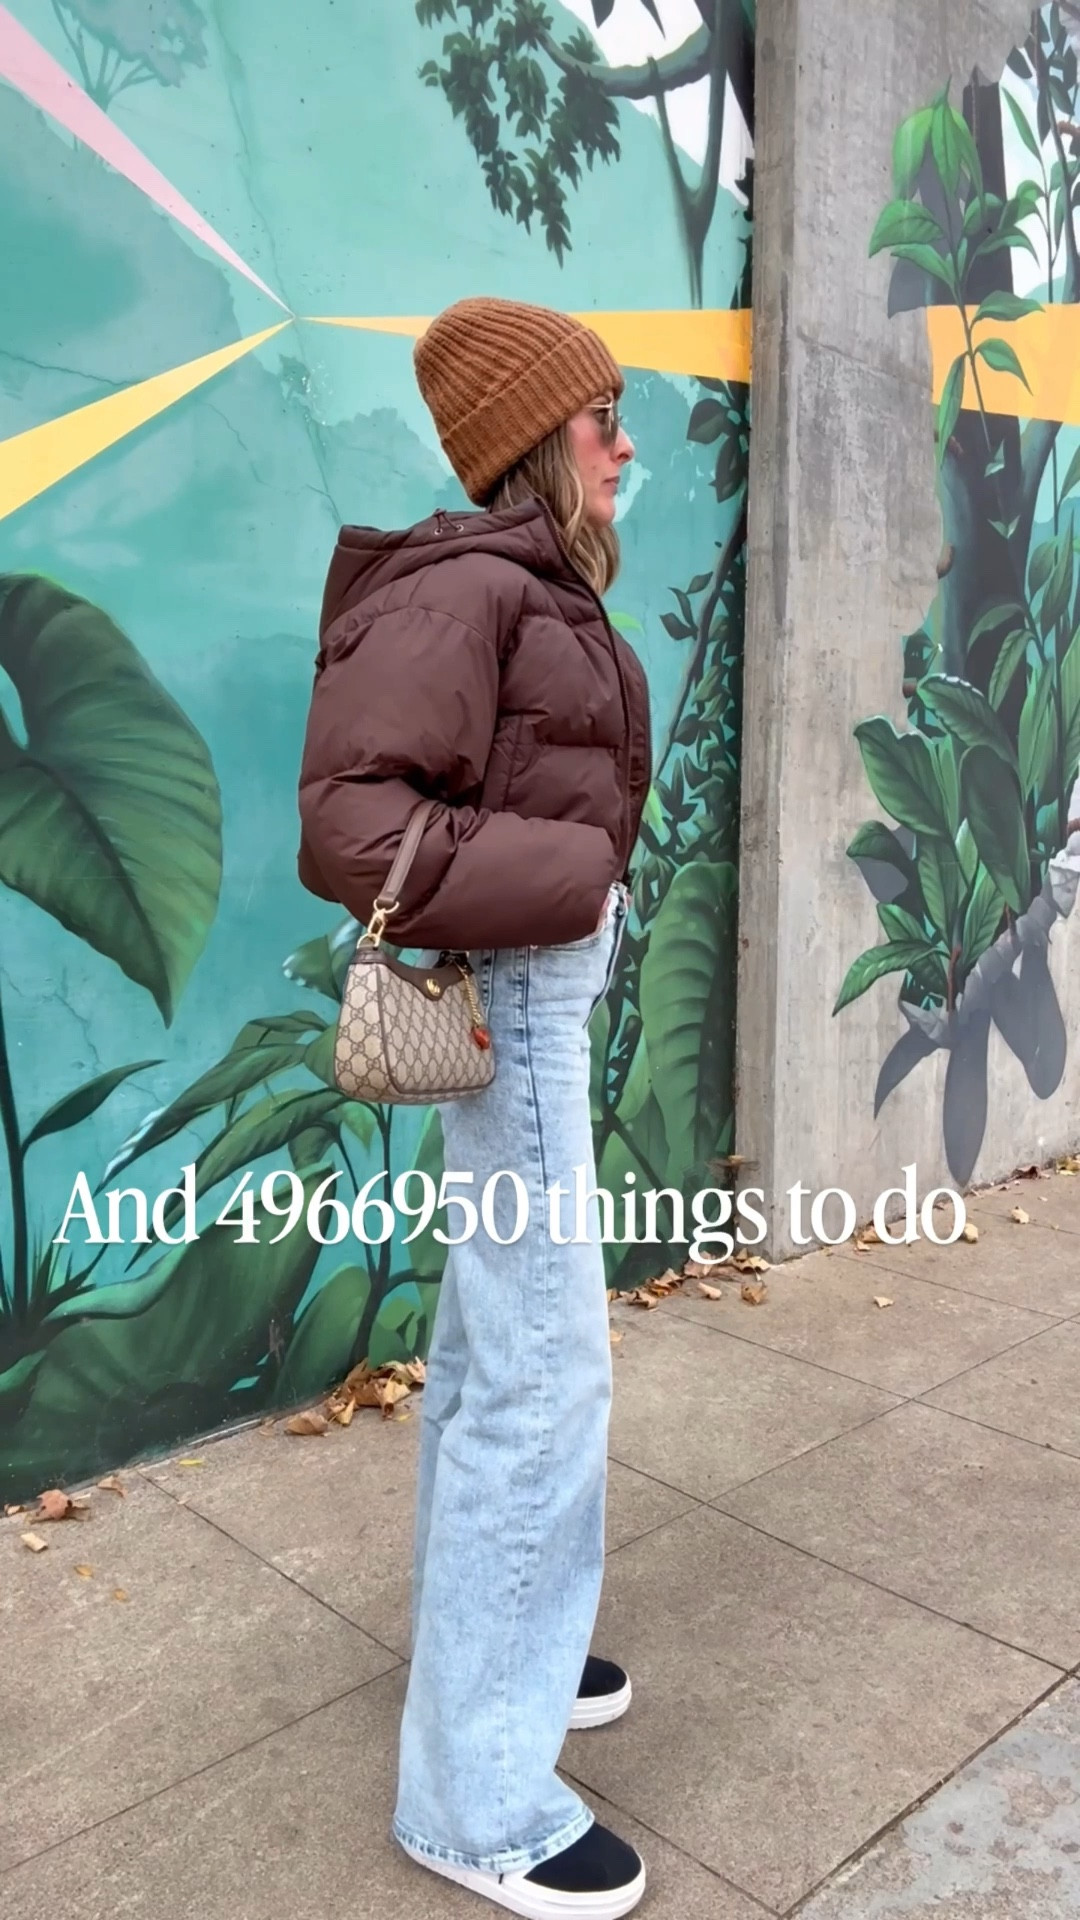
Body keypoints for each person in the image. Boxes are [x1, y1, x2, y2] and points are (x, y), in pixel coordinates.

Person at [297, 296, 651, 1919]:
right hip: (509, 998)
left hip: (531, 995)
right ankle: (479, 1799)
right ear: (536, 444)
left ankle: (494, 1651)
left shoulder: (517, 588)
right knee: (540, 1372)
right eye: (603, 420)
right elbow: (349, 821)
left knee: (505, 1351)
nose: (626, 443)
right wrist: (573, 881)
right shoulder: (465, 591)